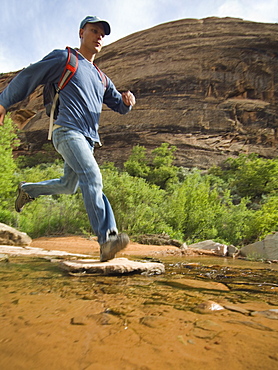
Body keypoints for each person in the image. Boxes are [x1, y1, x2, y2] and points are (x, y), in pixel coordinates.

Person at [0, 15, 136, 262]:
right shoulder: (65, 59)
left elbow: (119, 103)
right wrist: (3, 102)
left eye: (102, 34)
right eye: (94, 31)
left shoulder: (102, 78)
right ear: (81, 33)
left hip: (88, 140)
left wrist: (127, 103)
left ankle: (27, 189)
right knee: (92, 176)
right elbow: (29, 75)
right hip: (66, 131)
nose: (98, 37)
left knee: (69, 185)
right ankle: (107, 239)